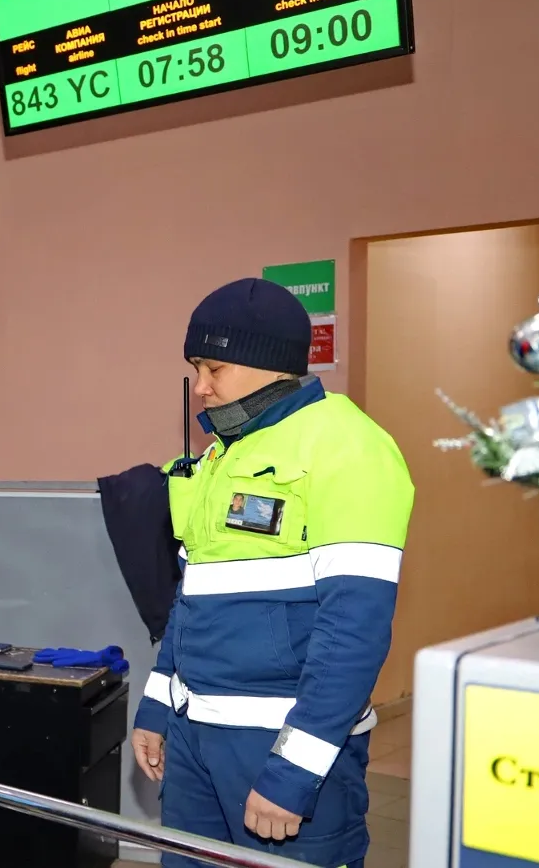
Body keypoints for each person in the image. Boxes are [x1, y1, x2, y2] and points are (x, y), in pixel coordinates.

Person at [129, 278, 413, 868]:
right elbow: (193, 595)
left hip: (280, 746)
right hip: (193, 740)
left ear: (267, 365)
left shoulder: (349, 447)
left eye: (214, 369)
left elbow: (354, 631)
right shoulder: (219, 456)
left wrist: (295, 771)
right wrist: (157, 707)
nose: (200, 389)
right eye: (196, 370)